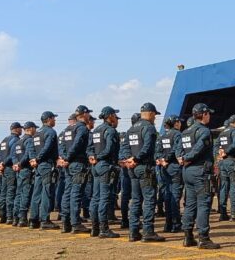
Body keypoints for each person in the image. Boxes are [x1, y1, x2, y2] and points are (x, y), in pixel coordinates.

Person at [174, 103, 220, 249]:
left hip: (187, 171)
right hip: (200, 171)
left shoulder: (185, 132)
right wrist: (187, 157)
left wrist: (181, 158)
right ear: (204, 114)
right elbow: (198, 148)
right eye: (208, 114)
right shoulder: (204, 131)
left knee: (190, 205)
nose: (210, 116)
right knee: (203, 204)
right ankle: (204, 238)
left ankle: (188, 236)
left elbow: (178, 149)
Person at [120, 102, 165, 242]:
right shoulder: (149, 128)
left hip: (132, 169)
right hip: (144, 167)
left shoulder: (132, 128)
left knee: (136, 200)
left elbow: (125, 146)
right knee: (149, 199)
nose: (155, 118)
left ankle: (133, 232)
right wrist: (137, 159)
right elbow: (148, 147)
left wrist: (129, 159)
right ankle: (148, 231)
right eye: (154, 115)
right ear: (150, 113)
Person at [89, 106, 121, 238]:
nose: (115, 117)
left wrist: (92, 157)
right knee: (104, 197)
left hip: (95, 166)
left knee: (95, 197)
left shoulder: (96, 130)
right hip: (105, 165)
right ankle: (104, 229)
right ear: (110, 116)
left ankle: (94, 228)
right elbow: (109, 149)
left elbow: (90, 148)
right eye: (114, 114)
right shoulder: (110, 131)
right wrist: (99, 157)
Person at [60, 106, 92, 233]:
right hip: (77, 163)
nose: (89, 116)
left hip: (68, 165)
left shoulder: (67, 129)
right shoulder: (82, 128)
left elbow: (62, 145)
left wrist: (63, 158)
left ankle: (65, 223)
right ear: (84, 114)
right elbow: (78, 143)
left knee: (67, 193)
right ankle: (75, 223)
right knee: (76, 193)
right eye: (88, 113)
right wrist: (67, 157)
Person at [31, 111, 60, 230]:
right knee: (46, 192)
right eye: (54, 118)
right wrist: (38, 158)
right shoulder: (50, 132)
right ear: (49, 119)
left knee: (37, 192)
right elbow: (47, 147)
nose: (55, 121)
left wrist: (34, 159)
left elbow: (31, 148)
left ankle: (33, 220)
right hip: (46, 164)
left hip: (38, 166)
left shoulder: (37, 133)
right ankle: (44, 220)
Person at [157, 115, 183, 233]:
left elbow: (157, 151)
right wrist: (167, 159)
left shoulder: (162, 135)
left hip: (163, 167)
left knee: (168, 195)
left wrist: (161, 159)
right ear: (175, 123)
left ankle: (168, 223)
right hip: (173, 166)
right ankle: (176, 223)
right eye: (178, 122)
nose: (180, 124)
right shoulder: (177, 134)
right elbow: (176, 150)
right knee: (175, 196)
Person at [216, 115, 235, 221]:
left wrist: (219, 153)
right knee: (233, 187)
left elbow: (216, 145)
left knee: (223, 187)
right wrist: (226, 152)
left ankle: (223, 213)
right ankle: (234, 212)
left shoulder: (222, 133)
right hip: (232, 161)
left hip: (223, 162)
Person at [13, 121, 38, 226]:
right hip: (25, 169)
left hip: (19, 170)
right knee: (25, 194)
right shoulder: (29, 140)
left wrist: (16, 164)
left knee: (18, 193)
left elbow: (13, 155)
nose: (35, 130)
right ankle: (22, 218)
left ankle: (16, 218)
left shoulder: (19, 141)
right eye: (35, 128)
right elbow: (28, 154)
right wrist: (20, 164)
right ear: (31, 129)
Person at [0, 122, 23, 224]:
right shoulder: (15, 140)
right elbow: (12, 155)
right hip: (9, 168)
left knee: (3, 192)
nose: (21, 130)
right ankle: (9, 217)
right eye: (20, 128)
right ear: (16, 129)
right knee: (11, 192)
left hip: (3, 169)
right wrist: (3, 164)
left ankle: (2, 216)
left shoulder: (4, 140)